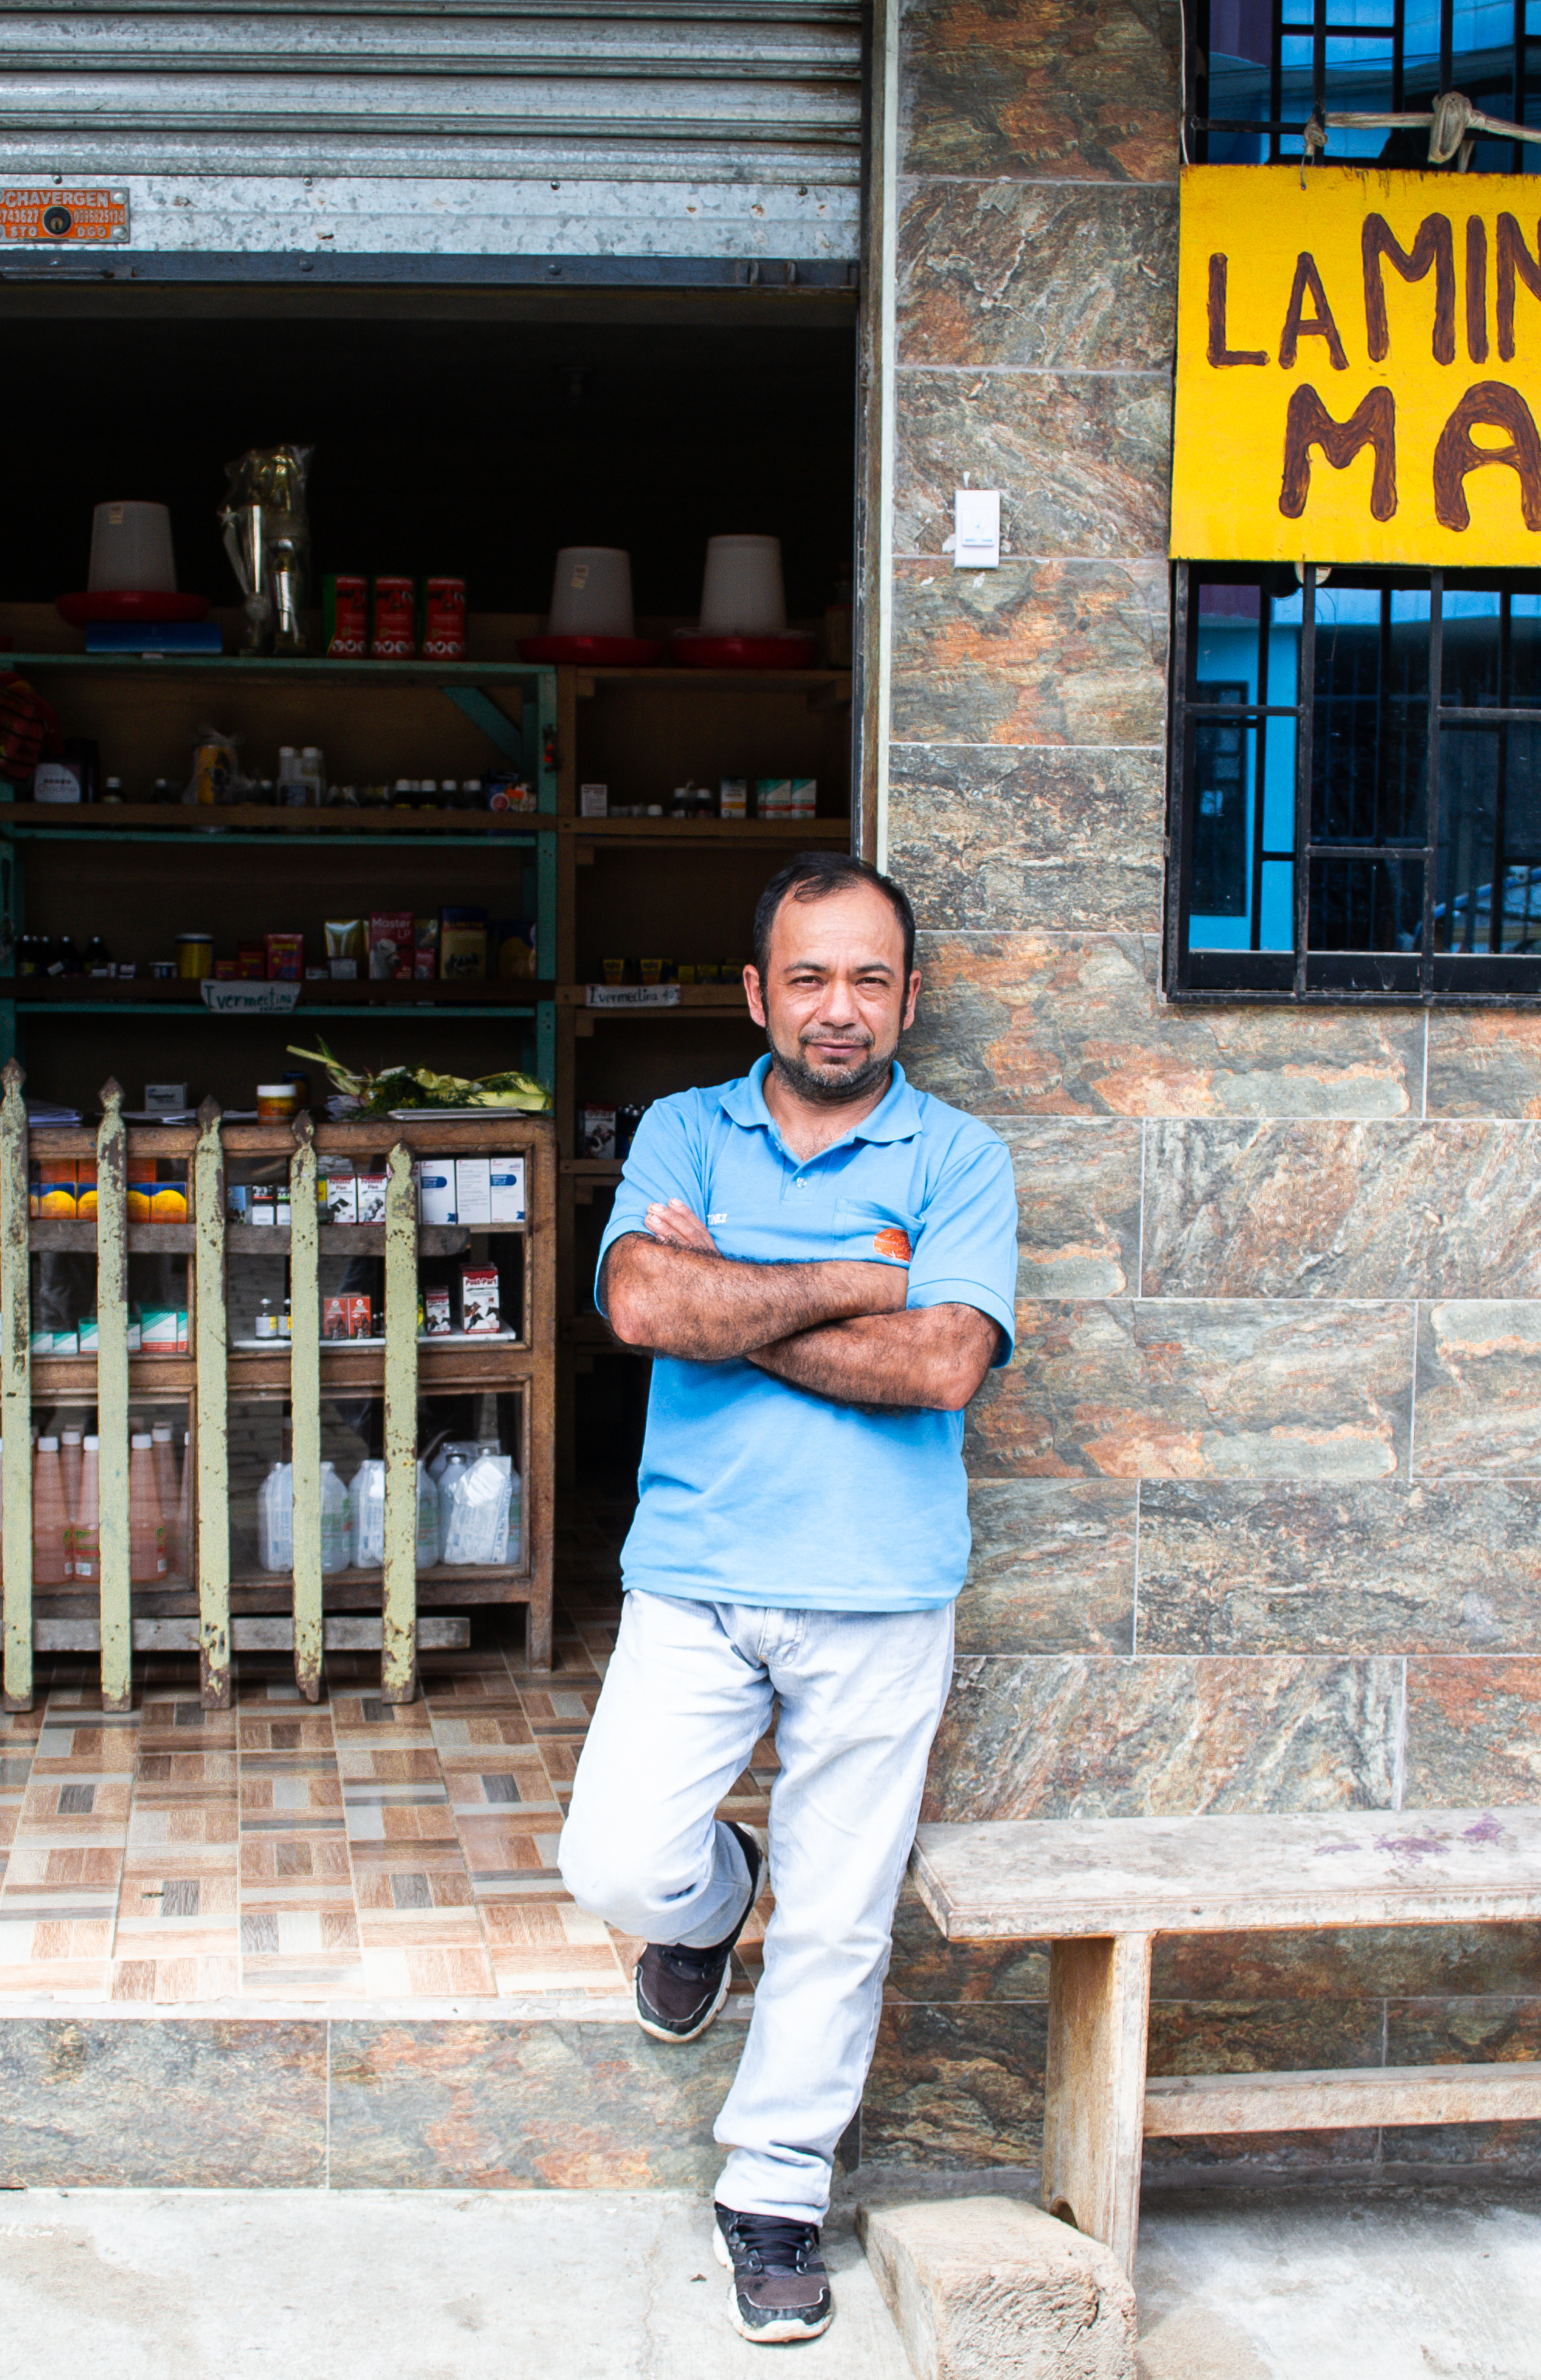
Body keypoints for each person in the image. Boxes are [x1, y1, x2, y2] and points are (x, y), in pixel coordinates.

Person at [556, 851, 1018, 2346]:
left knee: (840, 1918)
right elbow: (636, 1306)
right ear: (757, 993)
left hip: (883, 1592)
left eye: (870, 978)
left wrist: (738, 1294)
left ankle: (772, 2190)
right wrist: (858, 1279)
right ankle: (710, 1894)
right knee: (619, 1859)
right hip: (696, 1575)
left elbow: (943, 1364)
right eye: (808, 977)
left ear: (910, 998)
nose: (840, 1008)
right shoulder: (683, 1130)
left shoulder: (960, 1161)